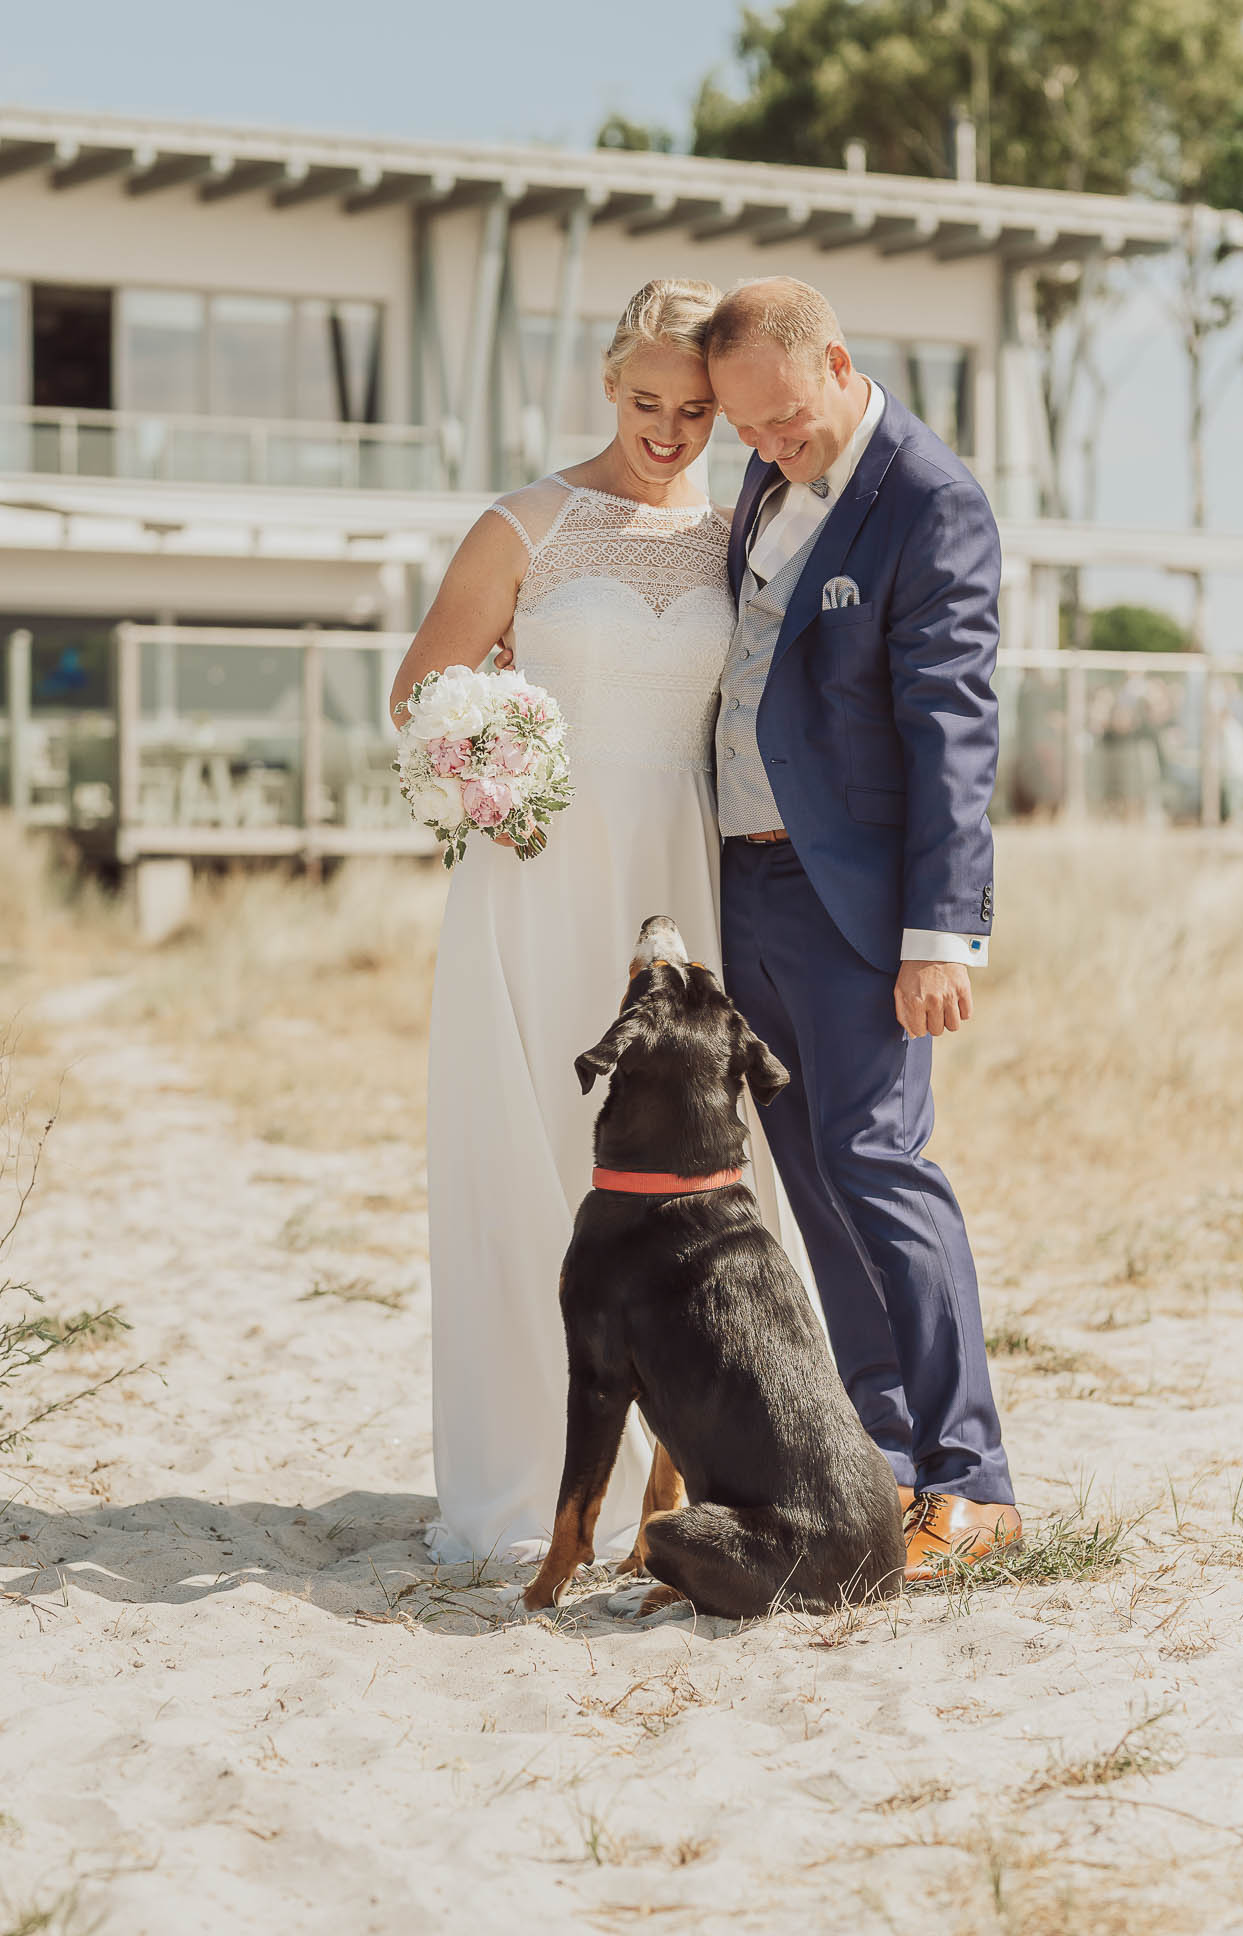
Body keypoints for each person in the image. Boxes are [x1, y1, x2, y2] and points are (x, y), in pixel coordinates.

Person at [390, 277, 800, 1565]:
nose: (670, 433)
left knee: (687, 1180)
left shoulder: (742, 531)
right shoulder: (525, 524)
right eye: (646, 404)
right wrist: (494, 764)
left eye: (696, 413)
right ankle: (533, 1482)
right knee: (539, 1162)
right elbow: (422, 696)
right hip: (538, 878)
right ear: (605, 381)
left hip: (680, 872)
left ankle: (687, 1481)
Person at [704, 279, 1020, 1579]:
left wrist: (941, 933)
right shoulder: (769, 483)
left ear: (837, 363)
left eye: (787, 420)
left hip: (860, 905)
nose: (774, 448)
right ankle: (881, 1455)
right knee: (814, 1176)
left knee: (881, 1165)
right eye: (752, 435)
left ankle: (975, 1476)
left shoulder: (930, 500)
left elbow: (955, 726)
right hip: (746, 886)